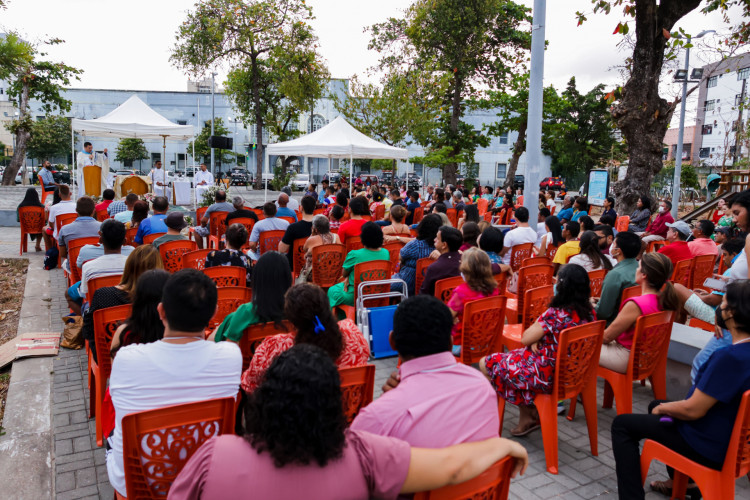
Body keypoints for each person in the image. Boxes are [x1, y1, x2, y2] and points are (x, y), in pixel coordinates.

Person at [170, 343, 528, 500]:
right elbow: (451, 467)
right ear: (334, 404)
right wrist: (503, 444)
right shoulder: (365, 454)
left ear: (264, 400)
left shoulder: (215, 454)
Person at [106, 269, 242, 498]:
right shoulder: (230, 355)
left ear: (161, 311)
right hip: (206, 477)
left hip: (139, 483)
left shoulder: (127, 358)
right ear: (213, 313)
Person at [611, 281, 750, 500]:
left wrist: (666, 408)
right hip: (731, 439)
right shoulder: (741, 352)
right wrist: (663, 407)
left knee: (622, 425)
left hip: (706, 444)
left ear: (732, 313)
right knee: (655, 405)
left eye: (722, 303)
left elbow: (693, 410)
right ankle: (686, 483)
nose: (718, 310)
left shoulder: (729, 357)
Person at [354, 293, 500, 447]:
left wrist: (392, 401)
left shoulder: (375, 419)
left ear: (392, 342)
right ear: (451, 342)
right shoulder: (483, 388)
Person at [481, 263, 595, 437]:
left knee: (486, 363)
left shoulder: (556, 313)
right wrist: (540, 338)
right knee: (512, 361)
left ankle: (525, 413)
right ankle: (528, 414)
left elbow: (526, 337)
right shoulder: (590, 313)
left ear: (562, 286)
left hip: (545, 374)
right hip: (571, 371)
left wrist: (536, 338)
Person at [241, 283, 370, 393]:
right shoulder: (352, 333)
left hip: (297, 418)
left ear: (291, 322)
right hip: (345, 416)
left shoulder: (275, 348)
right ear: (327, 308)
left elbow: (250, 385)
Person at [81, 245, 163, 363]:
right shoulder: (166, 297)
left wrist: (101, 356)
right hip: (156, 360)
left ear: (128, 266)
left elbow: (88, 331)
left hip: (109, 358)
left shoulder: (103, 295)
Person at [598, 253, 677, 374]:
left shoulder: (636, 304)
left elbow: (607, 337)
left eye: (638, 267)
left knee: (574, 348)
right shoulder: (665, 300)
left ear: (644, 274)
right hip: (647, 356)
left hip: (627, 357)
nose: (636, 270)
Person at [212, 251, 290, 343]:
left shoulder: (246, 312)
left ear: (257, 279)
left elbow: (229, 349)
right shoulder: (297, 312)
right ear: (287, 279)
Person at [446, 248, 500, 351]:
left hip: (462, 345)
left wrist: (453, 319)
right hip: (487, 341)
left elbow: (446, 316)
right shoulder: (494, 290)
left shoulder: (461, 292)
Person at [328, 222, 390, 309]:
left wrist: (348, 279)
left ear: (363, 238)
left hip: (356, 296)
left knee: (331, 290)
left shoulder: (354, 254)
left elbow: (344, 274)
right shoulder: (385, 253)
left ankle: (342, 320)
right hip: (378, 294)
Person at [596, 231, 640, 325]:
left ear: (618, 251)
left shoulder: (615, 274)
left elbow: (603, 313)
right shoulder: (643, 269)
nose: (611, 246)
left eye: (614, 243)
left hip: (615, 323)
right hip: (636, 320)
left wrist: (591, 306)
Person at [392, 214, 440, 295]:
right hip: (428, 287)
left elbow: (401, 256)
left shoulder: (415, 245)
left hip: (407, 283)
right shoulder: (440, 247)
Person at [420, 226, 463, 296]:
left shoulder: (434, 268)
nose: (434, 239)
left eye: (437, 238)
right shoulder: (466, 263)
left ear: (444, 245)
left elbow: (423, 294)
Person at [58, 197, 101, 264]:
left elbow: (63, 254)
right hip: (97, 266)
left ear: (76, 210)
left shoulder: (64, 230)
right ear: (94, 211)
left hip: (75, 267)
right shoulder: (103, 228)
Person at [298, 215, 341, 282]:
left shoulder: (311, 240)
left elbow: (304, 249)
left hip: (316, 275)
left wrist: (312, 234)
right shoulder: (336, 237)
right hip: (333, 273)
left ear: (315, 229)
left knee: (306, 256)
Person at [278, 195, 315, 270]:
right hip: (314, 266)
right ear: (314, 208)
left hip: (294, 266)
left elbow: (281, 249)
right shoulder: (321, 226)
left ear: (301, 208)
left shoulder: (293, 228)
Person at [17, 187, 45, 251]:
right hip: (39, 227)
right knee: (42, 226)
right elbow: (44, 219)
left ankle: (24, 249)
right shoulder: (41, 207)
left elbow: (18, 219)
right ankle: (37, 245)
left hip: (26, 227)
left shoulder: (20, 206)